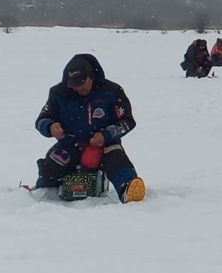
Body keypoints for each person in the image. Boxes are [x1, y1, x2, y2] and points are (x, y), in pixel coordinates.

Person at [34, 54, 145, 203]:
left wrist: (106, 135)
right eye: (74, 84)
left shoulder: (112, 91)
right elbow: (41, 120)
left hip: (106, 145)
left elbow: (127, 122)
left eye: (81, 83)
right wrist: (50, 127)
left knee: (116, 160)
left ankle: (128, 189)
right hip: (70, 144)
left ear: (91, 77)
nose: (78, 88)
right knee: (50, 169)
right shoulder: (58, 93)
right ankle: (44, 193)